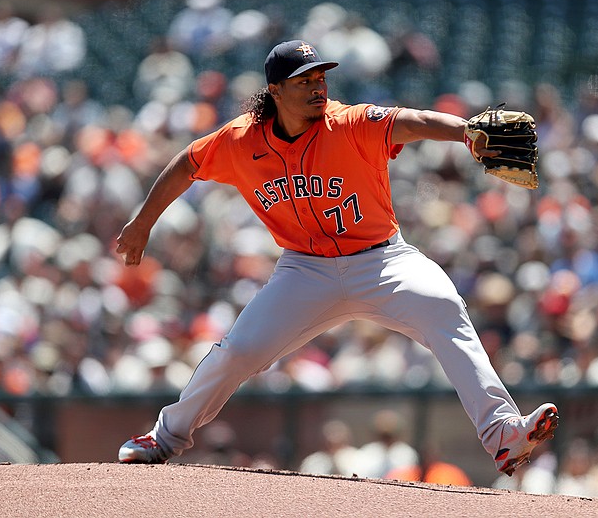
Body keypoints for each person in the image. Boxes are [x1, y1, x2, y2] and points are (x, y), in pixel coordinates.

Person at [116, 39, 559, 476]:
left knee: (444, 307)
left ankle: (503, 434)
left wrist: (463, 130)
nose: (317, 86)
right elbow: (185, 163)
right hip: (304, 270)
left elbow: (414, 120)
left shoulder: (348, 122)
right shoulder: (241, 139)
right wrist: (143, 222)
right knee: (238, 351)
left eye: (320, 76)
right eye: (303, 79)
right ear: (275, 90)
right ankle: (164, 436)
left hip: (383, 261)